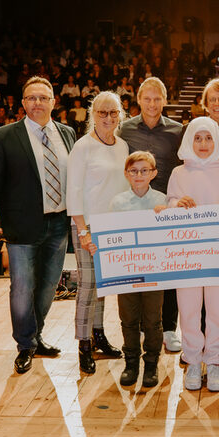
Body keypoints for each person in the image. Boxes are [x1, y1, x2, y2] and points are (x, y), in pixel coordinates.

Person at [0, 76, 76, 375]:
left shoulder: (68, 133)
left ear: (53, 102)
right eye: (31, 98)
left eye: (43, 97)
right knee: (22, 288)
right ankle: (24, 345)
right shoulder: (5, 136)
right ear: (23, 103)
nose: (37, 102)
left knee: (48, 287)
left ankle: (36, 335)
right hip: (21, 226)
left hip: (59, 223)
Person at [162, 117, 219, 392]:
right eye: (198, 138)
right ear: (189, 139)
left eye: (209, 138)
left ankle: (213, 360)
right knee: (188, 309)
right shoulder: (179, 173)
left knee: (217, 310)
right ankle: (192, 360)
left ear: (217, 140)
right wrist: (178, 204)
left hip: (218, 256)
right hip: (186, 255)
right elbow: (168, 208)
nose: (203, 144)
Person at [116, 77, 184, 353]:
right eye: (147, 98)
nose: (153, 104)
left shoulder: (178, 130)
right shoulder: (124, 129)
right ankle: (145, 328)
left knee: (169, 270)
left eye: (158, 99)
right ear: (139, 100)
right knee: (139, 269)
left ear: (165, 100)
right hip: (135, 210)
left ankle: (168, 327)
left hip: (166, 209)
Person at [66, 91, 129, 375]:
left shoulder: (123, 146)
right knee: (88, 286)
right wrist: (82, 230)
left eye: (113, 112)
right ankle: (83, 345)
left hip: (113, 226)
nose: (108, 117)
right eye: (102, 112)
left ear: (120, 115)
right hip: (87, 225)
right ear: (93, 114)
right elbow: (74, 191)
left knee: (105, 286)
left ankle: (99, 335)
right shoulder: (83, 147)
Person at [109, 151, 166, 388]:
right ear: (126, 174)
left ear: (153, 173)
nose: (139, 175)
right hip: (126, 272)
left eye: (144, 170)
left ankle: (151, 362)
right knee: (128, 319)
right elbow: (111, 234)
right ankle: (131, 361)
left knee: (153, 320)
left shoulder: (162, 200)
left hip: (154, 272)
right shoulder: (117, 202)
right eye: (134, 171)